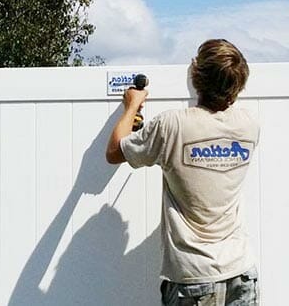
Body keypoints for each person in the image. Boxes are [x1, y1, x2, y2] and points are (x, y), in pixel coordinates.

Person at [105, 39, 260, 305]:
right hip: (241, 273)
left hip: (193, 277)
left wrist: (131, 106)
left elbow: (114, 152)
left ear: (194, 73)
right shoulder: (248, 125)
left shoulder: (172, 125)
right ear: (239, 84)